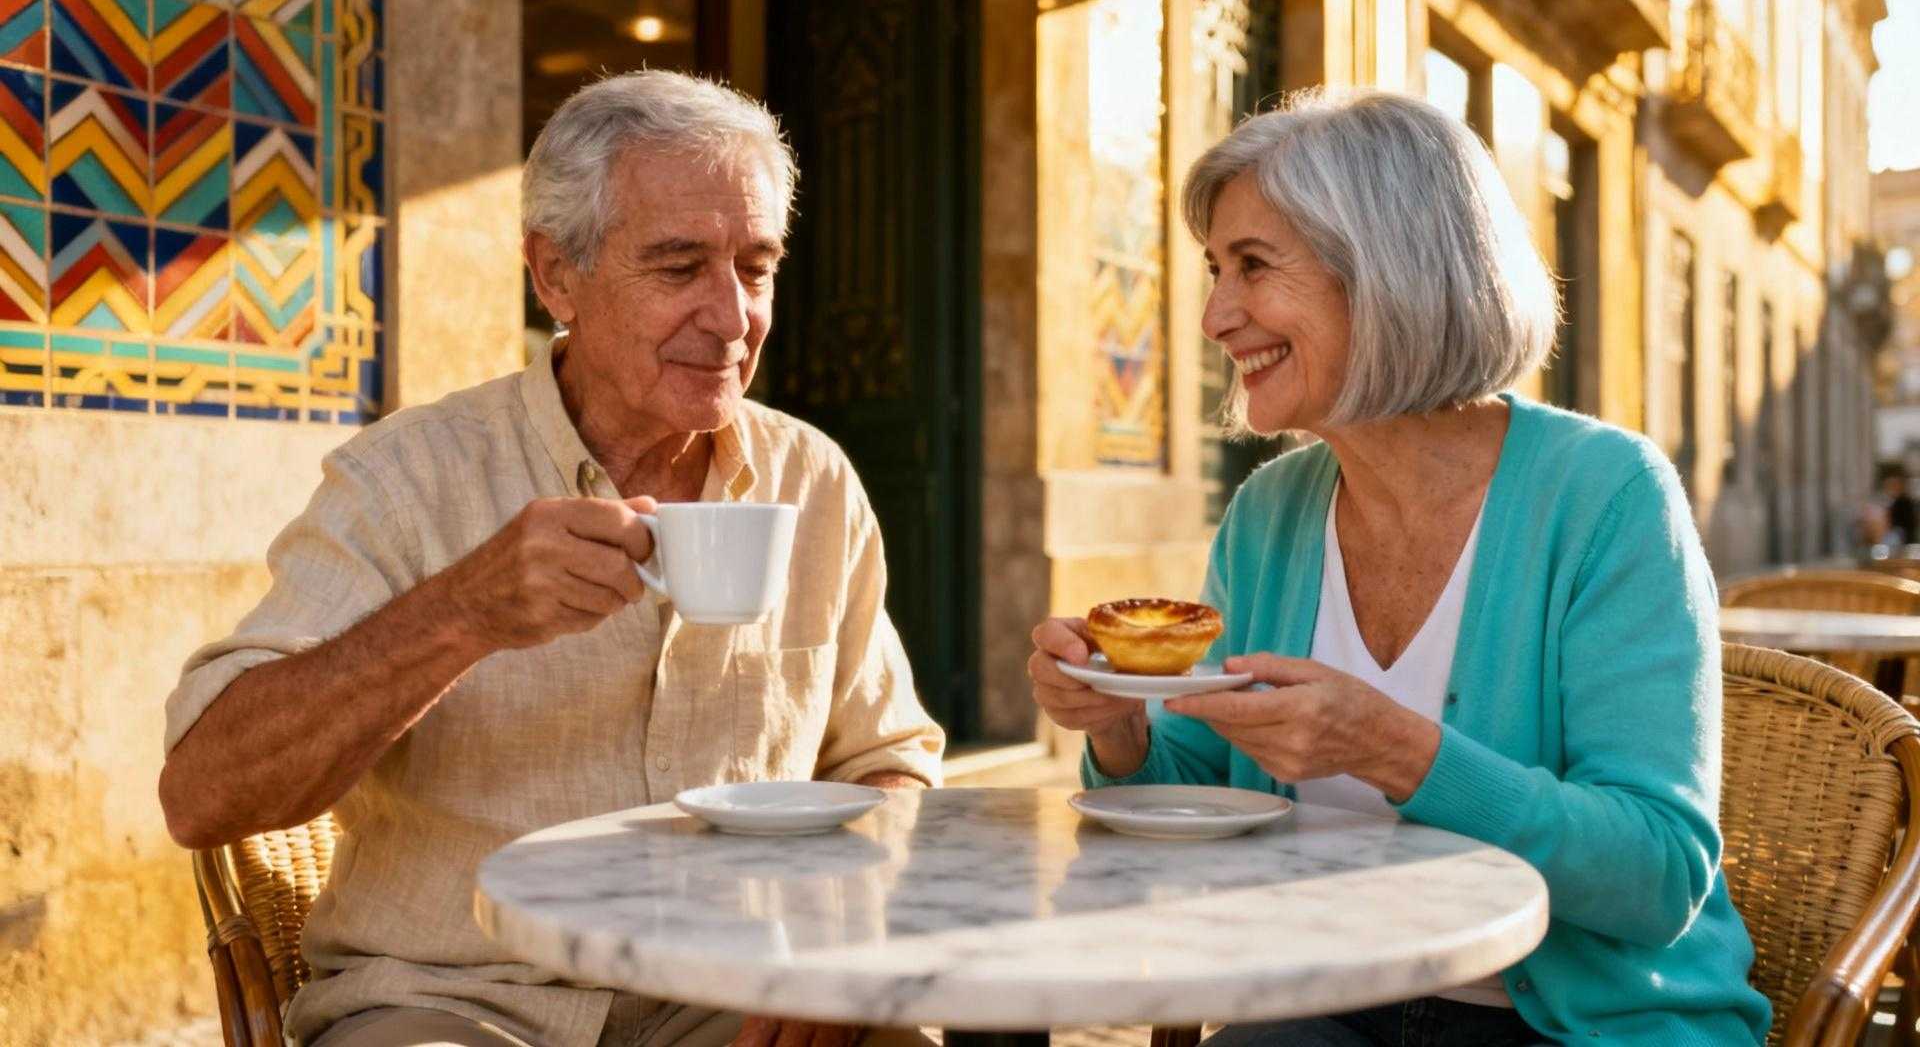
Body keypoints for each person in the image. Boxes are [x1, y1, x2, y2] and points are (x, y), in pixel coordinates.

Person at [158, 71, 945, 1047]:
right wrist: (460, 614)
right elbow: (201, 796)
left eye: (755, 267)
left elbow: (888, 762)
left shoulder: (812, 479)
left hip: (731, 994)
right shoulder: (408, 477)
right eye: (679, 266)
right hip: (455, 999)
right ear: (555, 275)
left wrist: (838, 937)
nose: (734, 317)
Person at [1027, 90, 1770, 1046]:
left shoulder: (1606, 495)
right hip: (1328, 998)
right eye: (1215, 270)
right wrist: (1123, 726)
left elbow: (1657, 873)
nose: (1215, 315)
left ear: (1386, 271)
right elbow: (1195, 798)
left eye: (1252, 266)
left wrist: (1396, 752)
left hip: (1581, 1023)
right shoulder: (1270, 512)